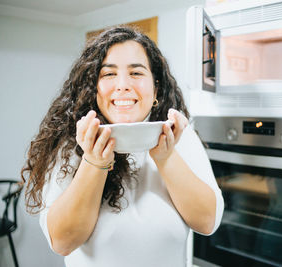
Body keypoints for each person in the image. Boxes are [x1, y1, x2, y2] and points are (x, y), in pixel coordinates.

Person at [21, 26, 224, 267]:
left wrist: (166, 157)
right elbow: (63, 242)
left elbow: (207, 222)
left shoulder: (181, 136)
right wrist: (94, 162)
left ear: (156, 87)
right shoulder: (74, 143)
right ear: (93, 88)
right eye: (108, 74)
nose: (123, 85)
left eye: (136, 73)